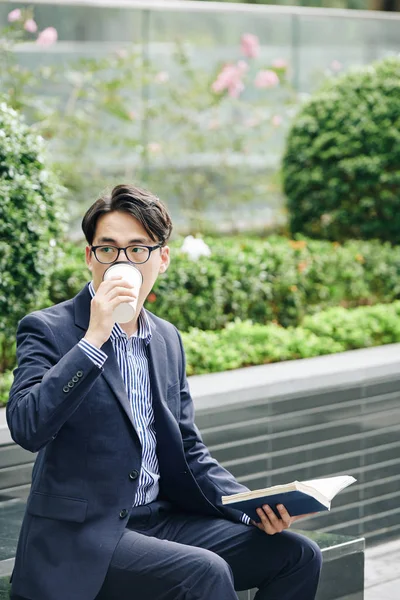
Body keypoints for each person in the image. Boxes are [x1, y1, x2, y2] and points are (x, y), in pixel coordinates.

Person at [7, 184, 322, 600]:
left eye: (138, 249)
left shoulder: (166, 339)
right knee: (204, 572)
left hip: (162, 521)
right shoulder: (48, 329)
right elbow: (28, 427)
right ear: (89, 257)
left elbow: (189, 449)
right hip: (82, 536)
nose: (122, 261)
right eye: (108, 249)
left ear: (163, 258)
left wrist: (250, 506)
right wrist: (94, 339)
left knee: (298, 555)